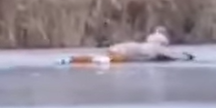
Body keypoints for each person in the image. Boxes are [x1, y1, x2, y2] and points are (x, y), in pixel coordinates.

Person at [59, 26, 195, 65]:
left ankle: (71, 59)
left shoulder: (144, 45)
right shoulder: (157, 48)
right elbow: (172, 56)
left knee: (97, 58)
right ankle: (72, 60)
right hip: (121, 55)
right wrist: (186, 57)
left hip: (118, 48)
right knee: (102, 61)